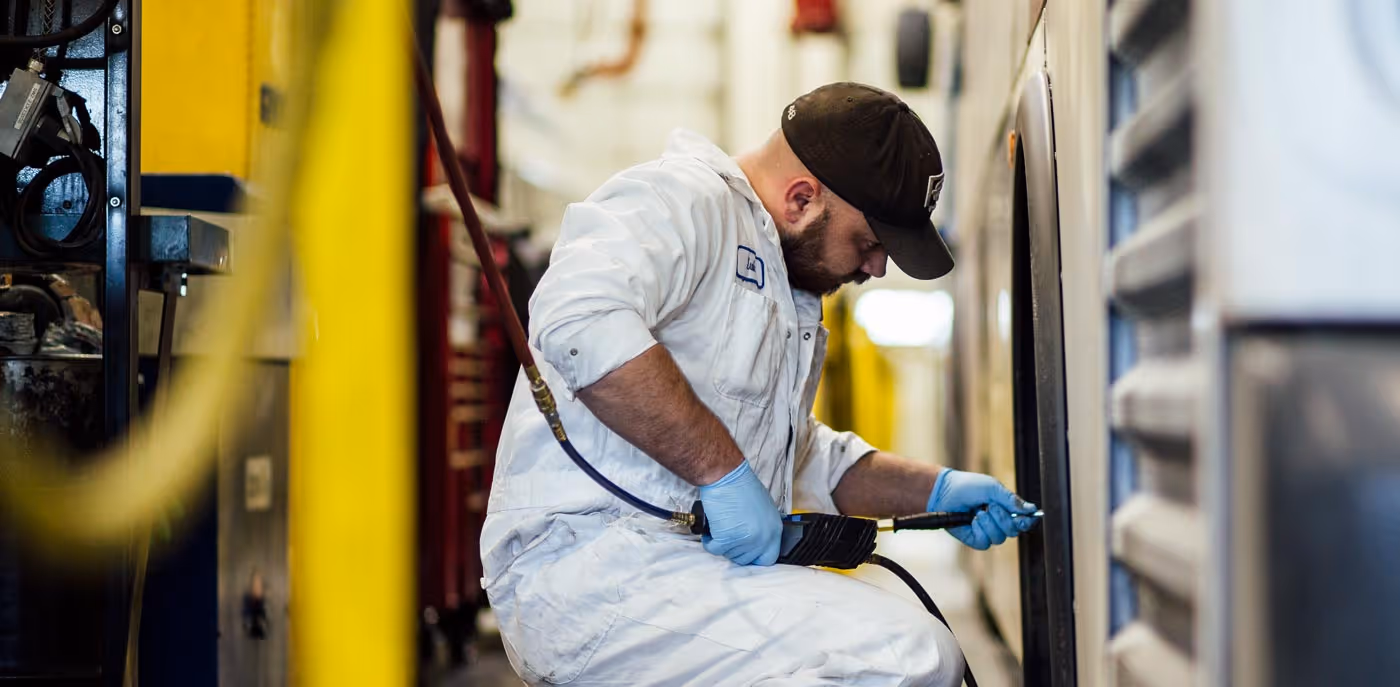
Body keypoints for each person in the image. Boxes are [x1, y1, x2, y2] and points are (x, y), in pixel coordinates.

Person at [481, 83, 1038, 686]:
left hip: (677, 569)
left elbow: (799, 458)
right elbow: (578, 318)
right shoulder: (681, 201)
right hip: (592, 572)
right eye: (870, 242)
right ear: (802, 198)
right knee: (905, 656)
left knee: (901, 628)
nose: (876, 268)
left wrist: (936, 491)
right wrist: (720, 471)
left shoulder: (784, 282)